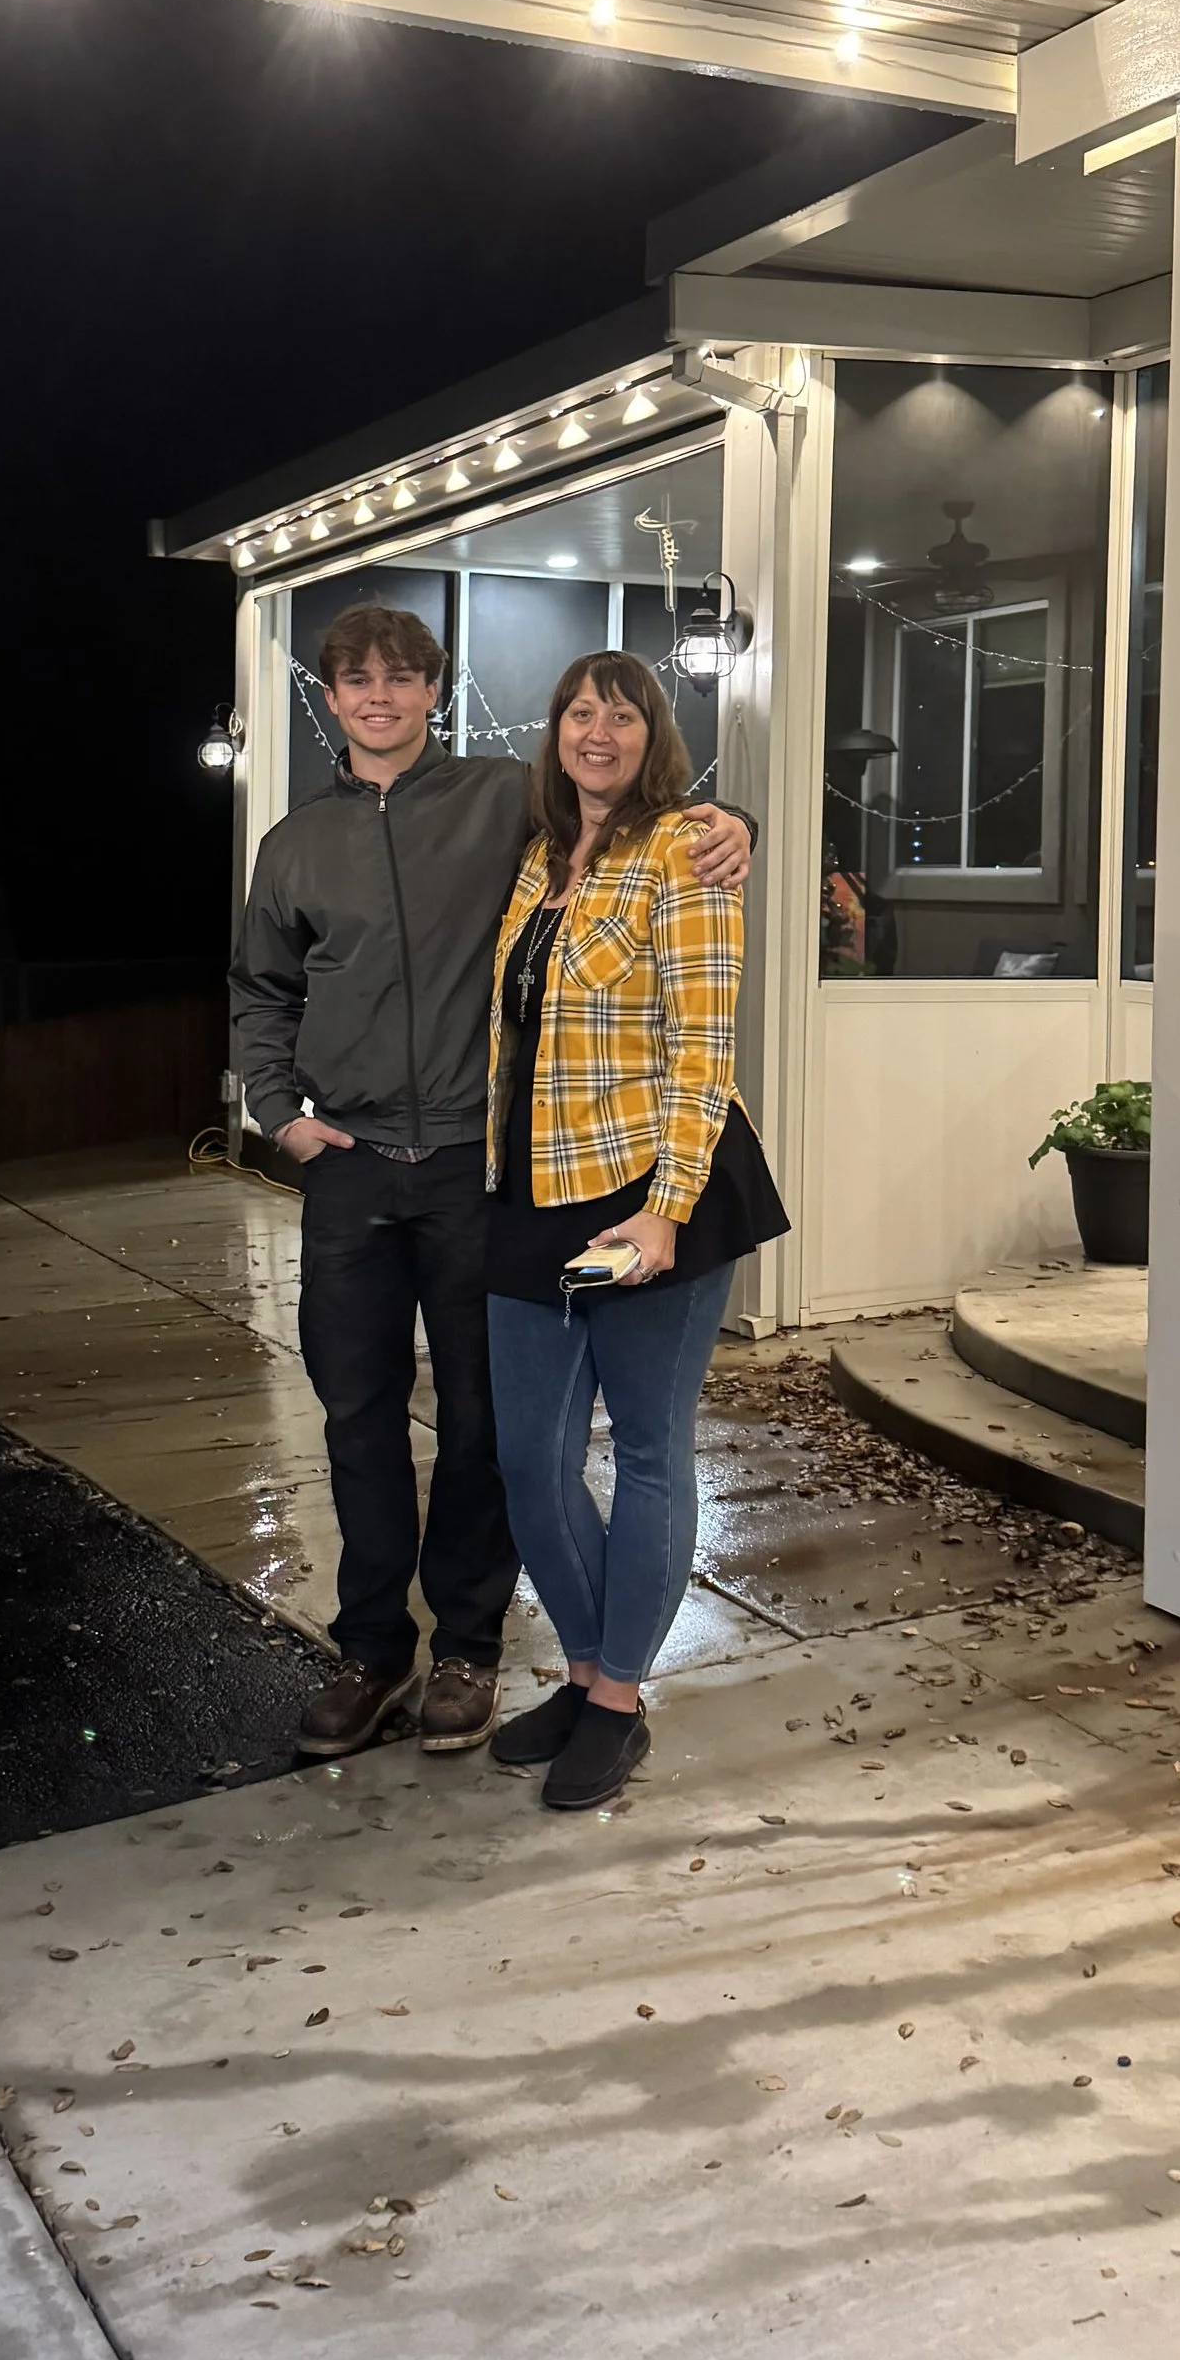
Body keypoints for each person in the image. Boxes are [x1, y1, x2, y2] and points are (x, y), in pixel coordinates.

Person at [230, 602, 753, 1762]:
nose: (378, 697)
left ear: (435, 693)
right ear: (329, 699)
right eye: (355, 680)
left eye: (402, 678)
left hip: (481, 1166)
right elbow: (259, 990)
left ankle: (468, 1649)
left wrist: (734, 821)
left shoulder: (495, 802)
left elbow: (626, 805)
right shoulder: (294, 843)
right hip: (353, 1172)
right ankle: (372, 1651)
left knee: (482, 1422)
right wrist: (280, 1116)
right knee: (356, 1411)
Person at [481, 649, 788, 1811]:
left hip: (640, 1199)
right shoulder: (532, 864)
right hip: (531, 1198)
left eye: (618, 714)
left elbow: (705, 1045)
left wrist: (662, 1211)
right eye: (576, 712)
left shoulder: (687, 852)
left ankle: (616, 1703)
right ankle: (585, 1666)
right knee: (531, 1458)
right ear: (553, 730)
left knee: (649, 1448)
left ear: (650, 733)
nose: (594, 732)